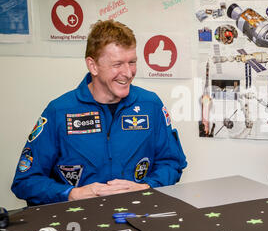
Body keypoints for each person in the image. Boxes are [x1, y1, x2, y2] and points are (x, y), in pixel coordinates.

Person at [12, 20, 187, 206]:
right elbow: (25, 181)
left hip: (138, 215)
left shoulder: (150, 105)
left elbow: (172, 163)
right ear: (93, 66)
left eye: (132, 62)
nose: (128, 73)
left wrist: (146, 187)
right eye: (118, 64)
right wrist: (72, 193)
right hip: (78, 222)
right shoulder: (59, 111)